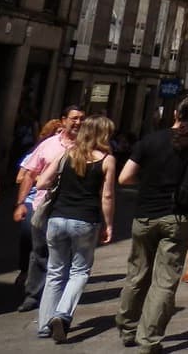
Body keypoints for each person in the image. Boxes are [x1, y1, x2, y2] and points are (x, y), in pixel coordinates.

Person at [116, 95, 188, 354]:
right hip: (177, 218)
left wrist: (147, 184)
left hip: (144, 216)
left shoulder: (150, 141)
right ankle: (149, 340)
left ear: (175, 113)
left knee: (137, 274)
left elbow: (124, 177)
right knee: (164, 282)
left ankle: (128, 328)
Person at [34, 115, 116, 342]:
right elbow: (107, 195)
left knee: (55, 271)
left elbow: (41, 182)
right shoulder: (107, 160)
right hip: (85, 221)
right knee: (79, 271)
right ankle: (62, 314)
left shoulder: (66, 153)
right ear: (103, 135)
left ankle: (43, 324)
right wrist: (108, 224)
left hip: (57, 219)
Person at [13, 105, 84, 312]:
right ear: (63, 120)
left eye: (81, 119)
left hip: (72, 207)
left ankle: (57, 295)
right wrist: (20, 203)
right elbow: (29, 173)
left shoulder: (86, 147)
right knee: (39, 250)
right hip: (42, 205)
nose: (78, 122)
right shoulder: (47, 145)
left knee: (67, 253)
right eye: (74, 118)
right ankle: (33, 295)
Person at [14, 119, 62, 288]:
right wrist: (42, 176)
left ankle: (41, 277)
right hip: (32, 199)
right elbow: (21, 177)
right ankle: (24, 270)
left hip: (53, 201)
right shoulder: (36, 152)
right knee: (28, 236)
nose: (59, 135)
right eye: (56, 132)